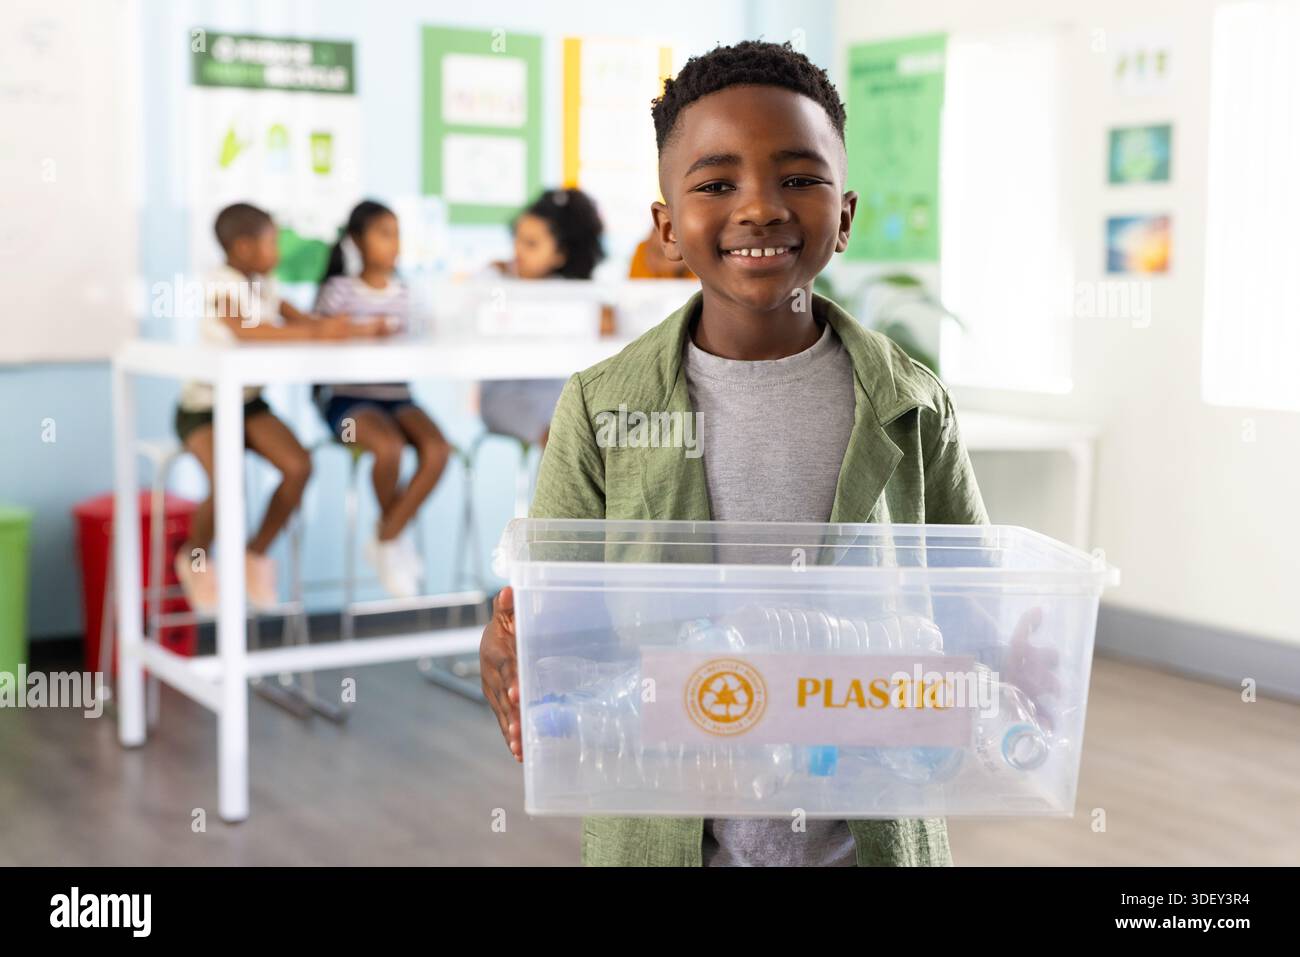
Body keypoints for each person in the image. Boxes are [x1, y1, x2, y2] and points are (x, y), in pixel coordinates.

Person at [479, 41, 989, 867]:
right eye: (717, 184)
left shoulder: (911, 403)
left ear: (846, 215)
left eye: (799, 178)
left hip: (867, 837)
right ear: (668, 227)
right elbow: (557, 632)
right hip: (667, 835)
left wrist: (1008, 652)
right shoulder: (602, 404)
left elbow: (970, 605)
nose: (760, 207)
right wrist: (509, 645)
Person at [174, 202, 353, 613]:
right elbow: (248, 332)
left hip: (248, 404)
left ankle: (254, 554)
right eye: (272, 240)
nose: (278, 249)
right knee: (226, 484)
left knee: (298, 466)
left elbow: (302, 320)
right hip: (205, 406)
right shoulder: (220, 283)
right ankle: (196, 556)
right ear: (242, 246)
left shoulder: (266, 285)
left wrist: (344, 328)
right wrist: (315, 333)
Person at [314, 200, 452, 598]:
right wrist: (360, 332)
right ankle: (392, 541)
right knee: (387, 447)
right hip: (347, 403)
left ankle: (387, 536)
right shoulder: (338, 292)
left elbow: (426, 335)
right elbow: (320, 338)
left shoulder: (409, 293)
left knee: (437, 449)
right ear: (357, 240)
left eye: (397, 234)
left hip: (397, 397)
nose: (394, 244)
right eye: (383, 233)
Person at [478, 188, 605, 448]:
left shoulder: (569, 292)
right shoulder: (497, 281)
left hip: (558, 395)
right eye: (517, 239)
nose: (517, 251)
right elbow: (483, 314)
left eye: (531, 244)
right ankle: (554, 489)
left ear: (560, 255)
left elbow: (602, 321)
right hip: (506, 397)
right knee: (561, 440)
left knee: (590, 432)